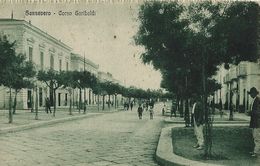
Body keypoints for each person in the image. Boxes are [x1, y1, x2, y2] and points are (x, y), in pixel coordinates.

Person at [248, 87, 260, 157]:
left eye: (251, 93)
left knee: (257, 137)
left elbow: (258, 112)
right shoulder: (254, 100)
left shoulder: (257, 100)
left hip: (257, 122)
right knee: (254, 136)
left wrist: (251, 112)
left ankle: (256, 152)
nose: (250, 95)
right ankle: (255, 150)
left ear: (254, 93)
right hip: (254, 122)